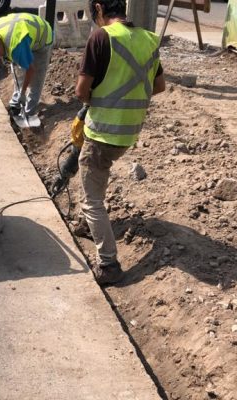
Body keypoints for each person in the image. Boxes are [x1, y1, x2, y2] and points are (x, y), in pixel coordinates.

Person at [75, 0, 166, 285]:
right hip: (128, 133)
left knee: (92, 198)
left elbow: (81, 91)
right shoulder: (150, 39)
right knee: (95, 180)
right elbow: (160, 86)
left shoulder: (101, 37)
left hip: (103, 131)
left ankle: (109, 264)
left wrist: (95, 103)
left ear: (100, 8)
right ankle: (87, 225)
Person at [0, 13, 53, 118]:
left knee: (36, 81)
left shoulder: (17, 47)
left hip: (43, 37)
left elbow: (31, 70)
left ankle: (29, 113)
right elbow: (19, 69)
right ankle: (15, 103)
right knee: (19, 73)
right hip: (25, 36)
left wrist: (23, 92)